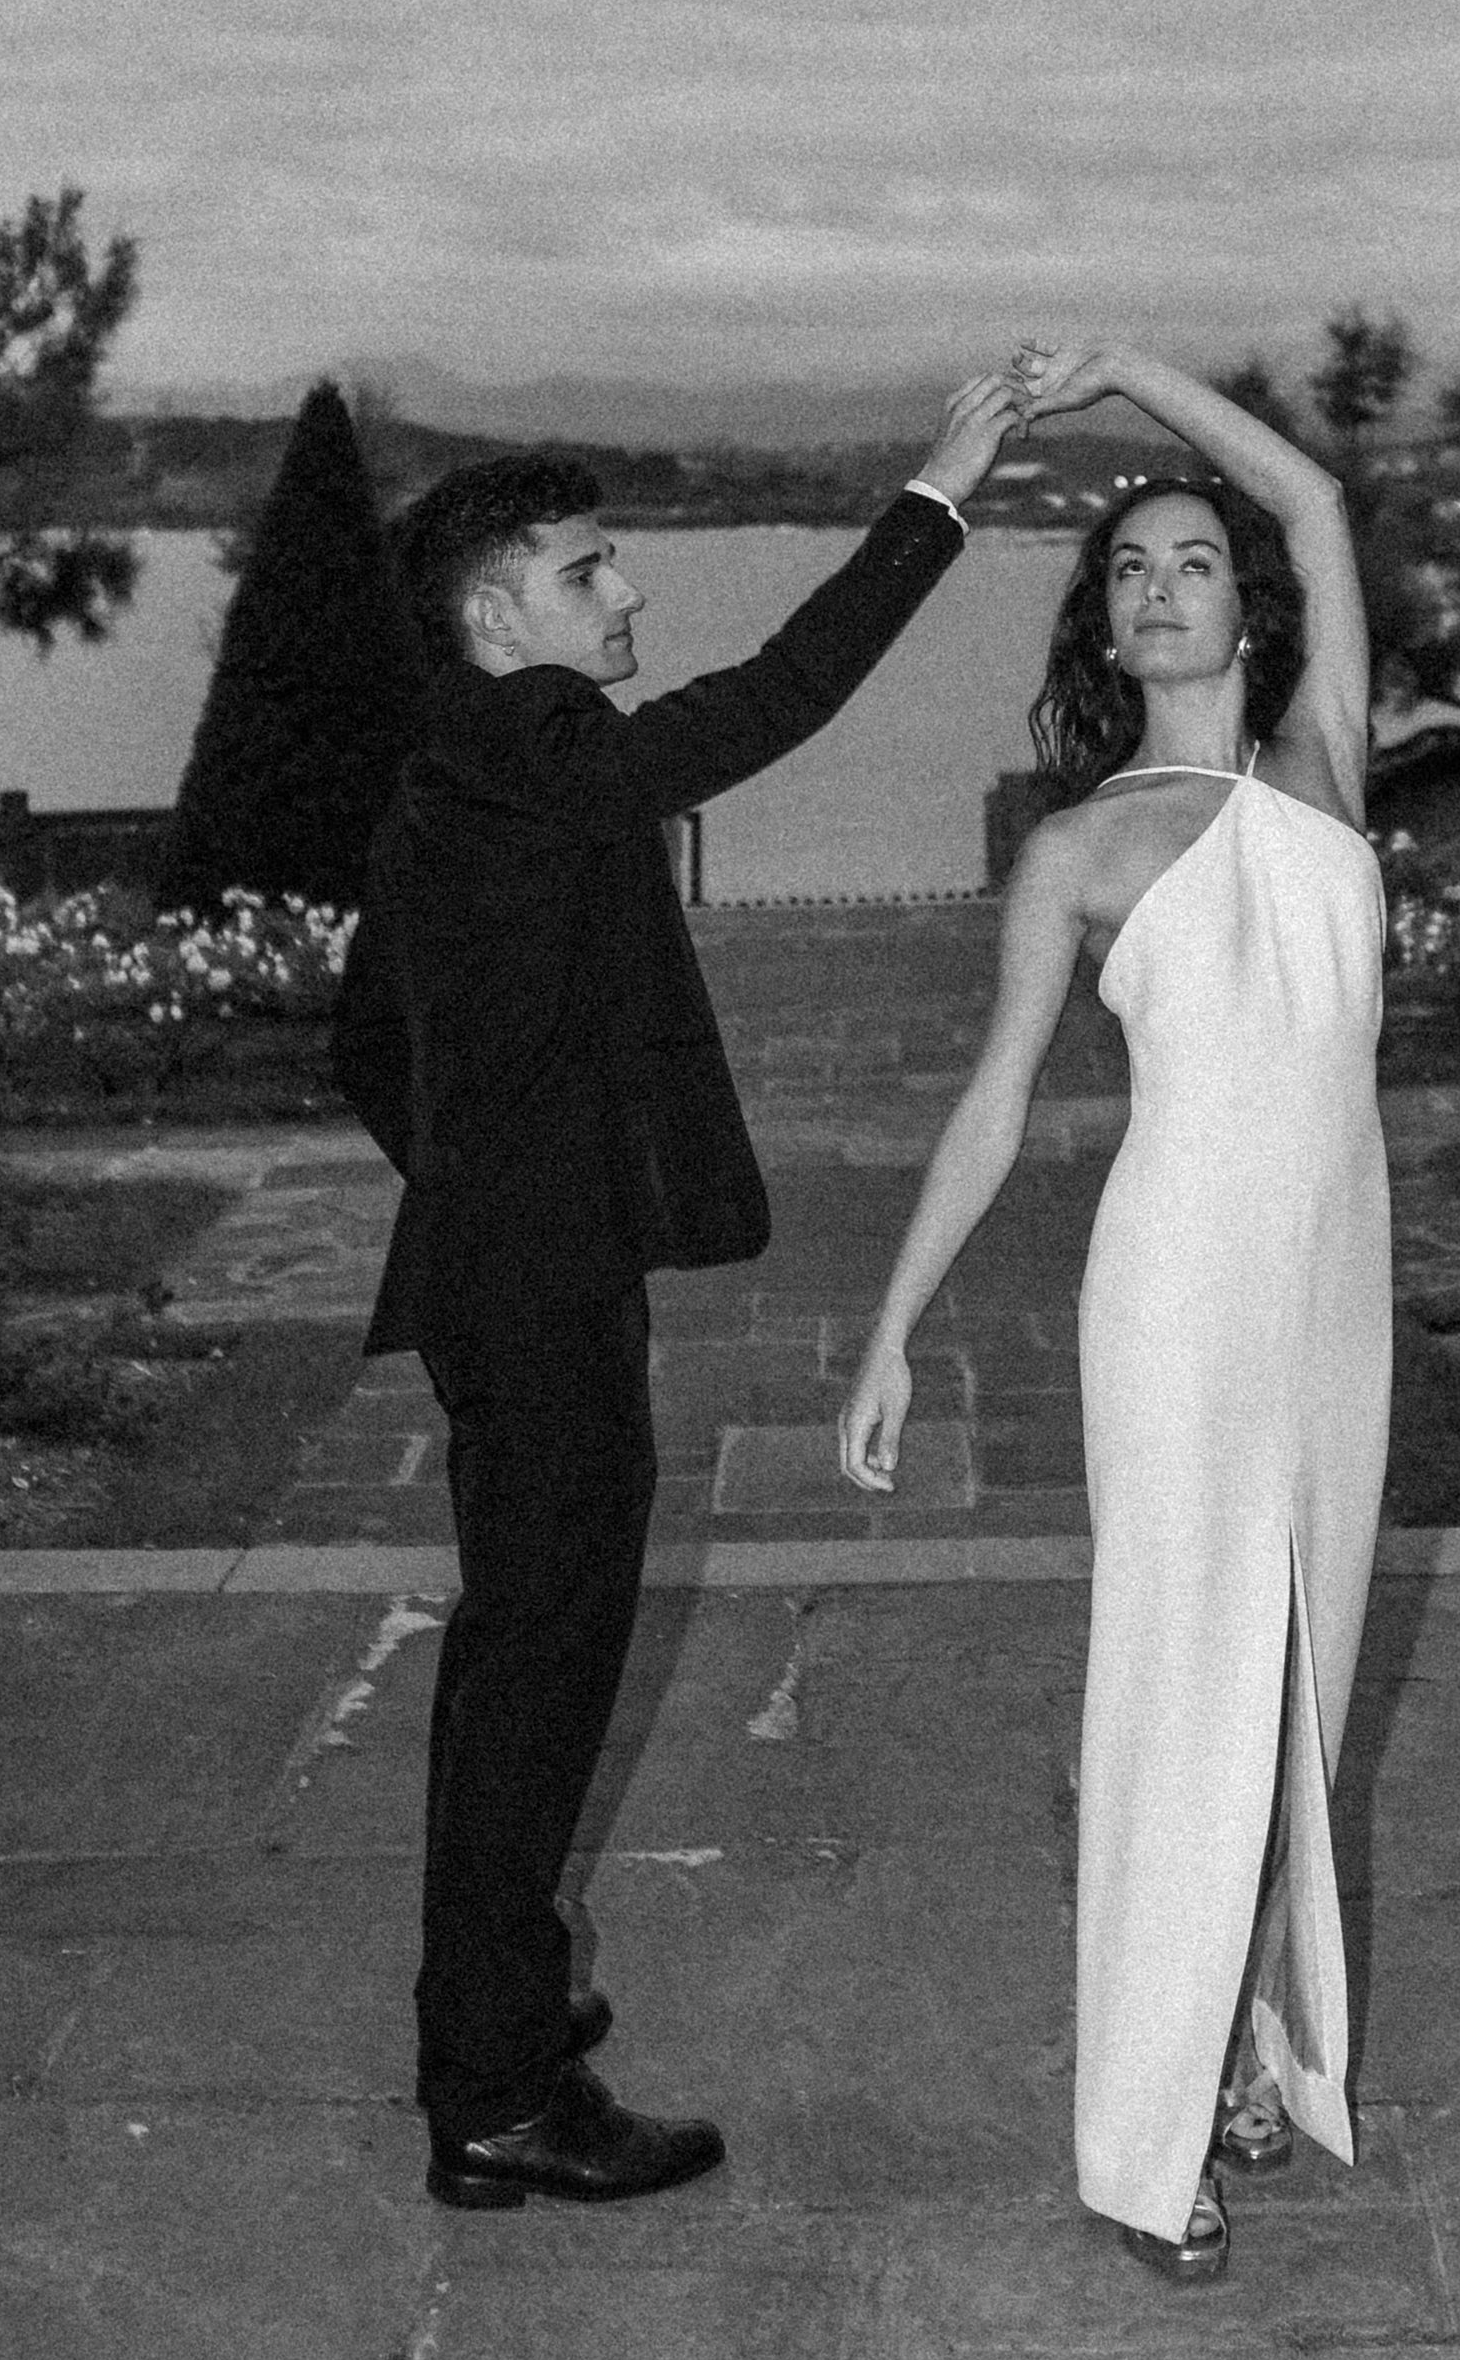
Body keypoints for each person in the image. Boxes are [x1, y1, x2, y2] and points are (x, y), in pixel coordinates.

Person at [333, 365, 1034, 2208]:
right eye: (589, 572)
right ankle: (489, 2091)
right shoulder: (531, 753)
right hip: (534, 1289)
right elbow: (770, 704)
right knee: (538, 1672)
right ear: (497, 620)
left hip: (523, 1272)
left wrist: (488, 1171)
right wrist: (937, 499)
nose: (628, 595)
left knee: (531, 1662)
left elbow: (360, 1040)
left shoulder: (463, 777)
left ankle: (504, 2042)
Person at [836, 344, 1387, 2282]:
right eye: (1126, 571)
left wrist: (1139, 376)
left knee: (1300, 1691)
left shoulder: (1323, 761)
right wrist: (898, 1321)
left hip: (1338, 1284)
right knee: (1182, 1689)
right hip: (1168, 1294)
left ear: (1247, 605)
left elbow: (1314, 496)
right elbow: (996, 1100)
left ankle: (1244, 2032)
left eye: (1186, 560)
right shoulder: (1075, 848)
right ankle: (1150, 2137)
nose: (1158, 585)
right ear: (1107, 627)